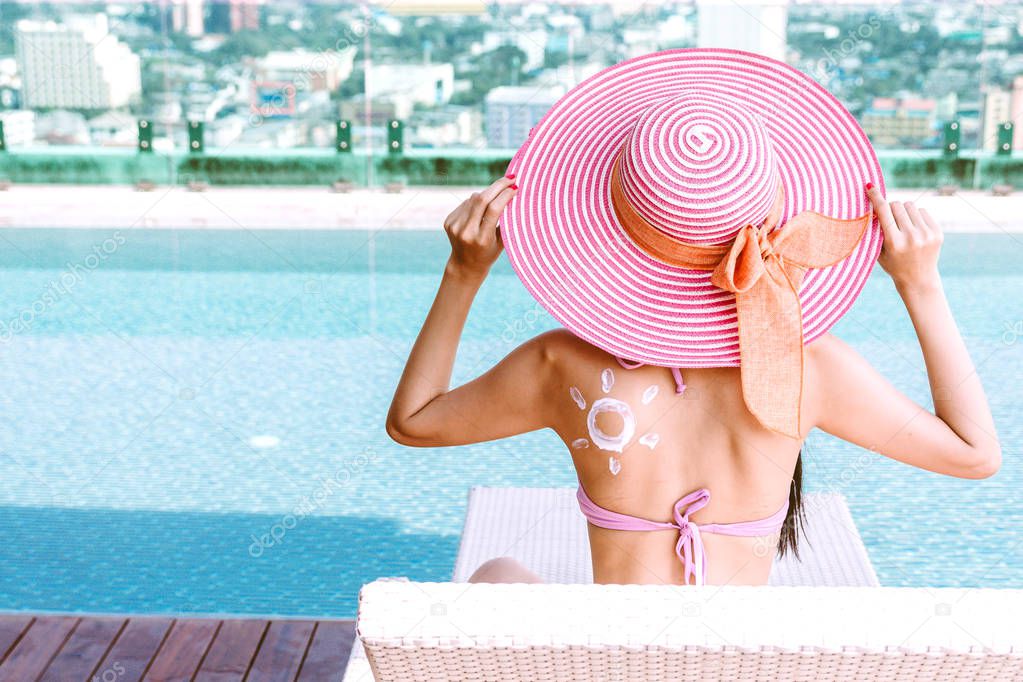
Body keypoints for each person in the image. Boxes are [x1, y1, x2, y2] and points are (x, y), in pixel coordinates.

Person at [386, 49, 1001, 588]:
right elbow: (975, 454)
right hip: (731, 663)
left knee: (498, 574)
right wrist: (920, 285)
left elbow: (412, 421)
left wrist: (462, 274)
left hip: (610, 664)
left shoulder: (561, 364)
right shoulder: (812, 368)